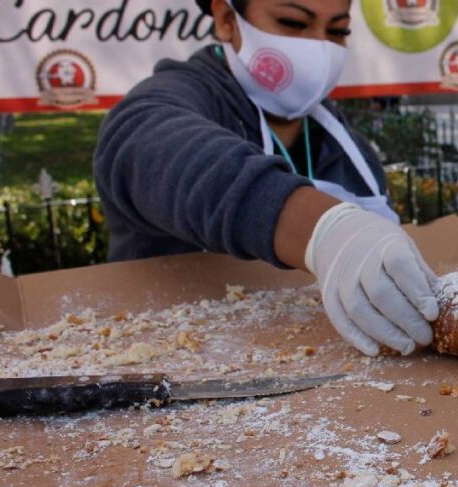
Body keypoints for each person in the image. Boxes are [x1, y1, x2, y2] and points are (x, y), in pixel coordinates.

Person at [94, 0, 438, 358]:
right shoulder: (182, 97)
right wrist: (327, 229)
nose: (318, 46)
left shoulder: (350, 149)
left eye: (337, 31)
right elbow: (145, 141)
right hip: (175, 361)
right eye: (292, 23)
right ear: (227, 20)